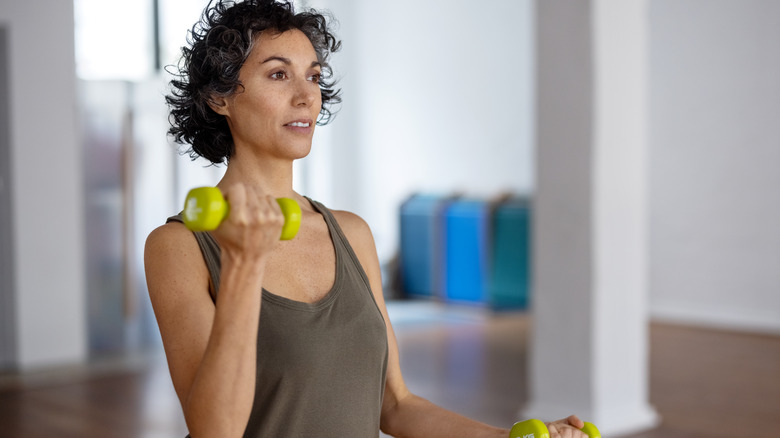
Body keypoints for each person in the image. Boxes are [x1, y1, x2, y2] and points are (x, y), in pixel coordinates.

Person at [144, 1, 589, 437]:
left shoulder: (350, 233)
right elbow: (214, 430)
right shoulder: (180, 245)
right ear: (219, 97)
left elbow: (395, 404)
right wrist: (243, 265)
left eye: (313, 76)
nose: (305, 96)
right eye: (278, 74)